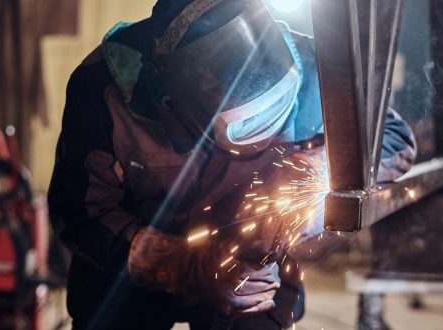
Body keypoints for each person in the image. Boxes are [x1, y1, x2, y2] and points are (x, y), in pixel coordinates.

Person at [48, 0, 416, 329]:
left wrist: (321, 169)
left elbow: (394, 138)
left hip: (251, 259)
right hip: (131, 265)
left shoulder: (312, 67)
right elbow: (80, 214)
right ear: (173, 102)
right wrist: (191, 267)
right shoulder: (104, 89)